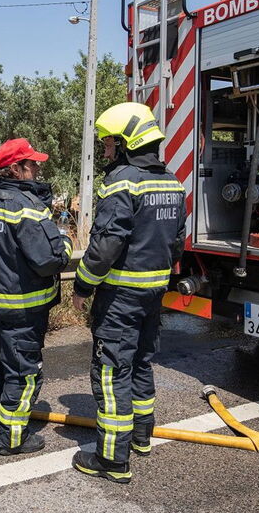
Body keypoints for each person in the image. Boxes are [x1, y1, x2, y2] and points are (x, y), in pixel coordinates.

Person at [70, 102, 186, 484]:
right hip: (153, 294)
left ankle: (112, 460)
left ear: (124, 143)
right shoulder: (171, 182)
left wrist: (82, 285)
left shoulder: (122, 181)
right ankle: (141, 436)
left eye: (107, 144)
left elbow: (106, 245)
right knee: (140, 363)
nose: (104, 151)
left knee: (110, 372)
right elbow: (177, 244)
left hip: (119, 298)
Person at [0, 138, 73, 455]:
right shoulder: (28, 210)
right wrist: (64, 244)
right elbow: (48, 260)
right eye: (32, 163)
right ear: (15, 169)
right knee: (22, 374)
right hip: (25, 310)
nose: (38, 168)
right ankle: (13, 439)